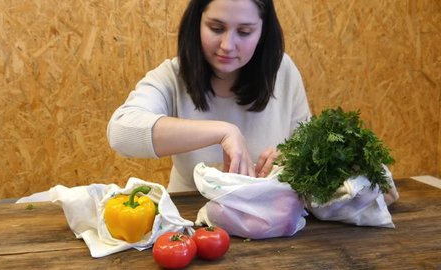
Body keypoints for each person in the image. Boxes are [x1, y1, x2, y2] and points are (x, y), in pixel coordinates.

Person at [107, 0, 311, 192]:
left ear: (262, 33)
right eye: (216, 28)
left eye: (244, 32)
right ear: (197, 23)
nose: (228, 45)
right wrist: (224, 132)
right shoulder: (172, 77)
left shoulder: (282, 72)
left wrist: (288, 162)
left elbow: (311, 152)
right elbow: (120, 133)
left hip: (265, 221)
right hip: (190, 218)